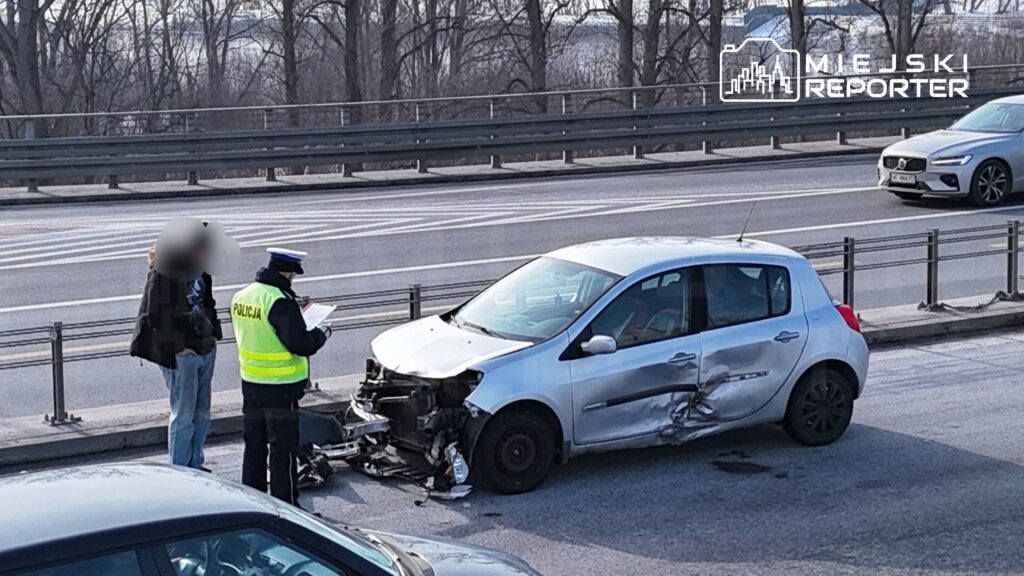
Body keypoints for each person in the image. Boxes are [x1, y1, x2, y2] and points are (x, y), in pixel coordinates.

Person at [231, 247, 331, 505]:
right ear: (287, 272)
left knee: (254, 445)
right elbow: (301, 345)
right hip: (280, 388)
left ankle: (251, 501)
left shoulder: (243, 296)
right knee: (282, 449)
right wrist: (322, 333)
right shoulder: (279, 301)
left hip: (251, 383)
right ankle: (286, 505)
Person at [130, 220, 222, 471]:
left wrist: (213, 336)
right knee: (183, 415)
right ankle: (180, 469)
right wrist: (179, 348)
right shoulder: (164, 271)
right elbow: (155, 314)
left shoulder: (201, 271)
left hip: (204, 347)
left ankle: (195, 463)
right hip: (182, 353)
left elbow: (207, 303)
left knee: (202, 414)